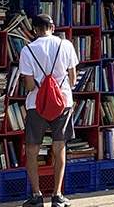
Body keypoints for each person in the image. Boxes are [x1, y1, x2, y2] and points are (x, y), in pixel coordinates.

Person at [19, 14, 79, 207]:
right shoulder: (66, 45)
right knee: (59, 145)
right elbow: (73, 79)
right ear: (52, 27)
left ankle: (36, 196)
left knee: (32, 148)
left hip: (36, 104)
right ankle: (57, 195)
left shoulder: (27, 50)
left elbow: (29, 86)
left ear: (35, 30)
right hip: (63, 101)